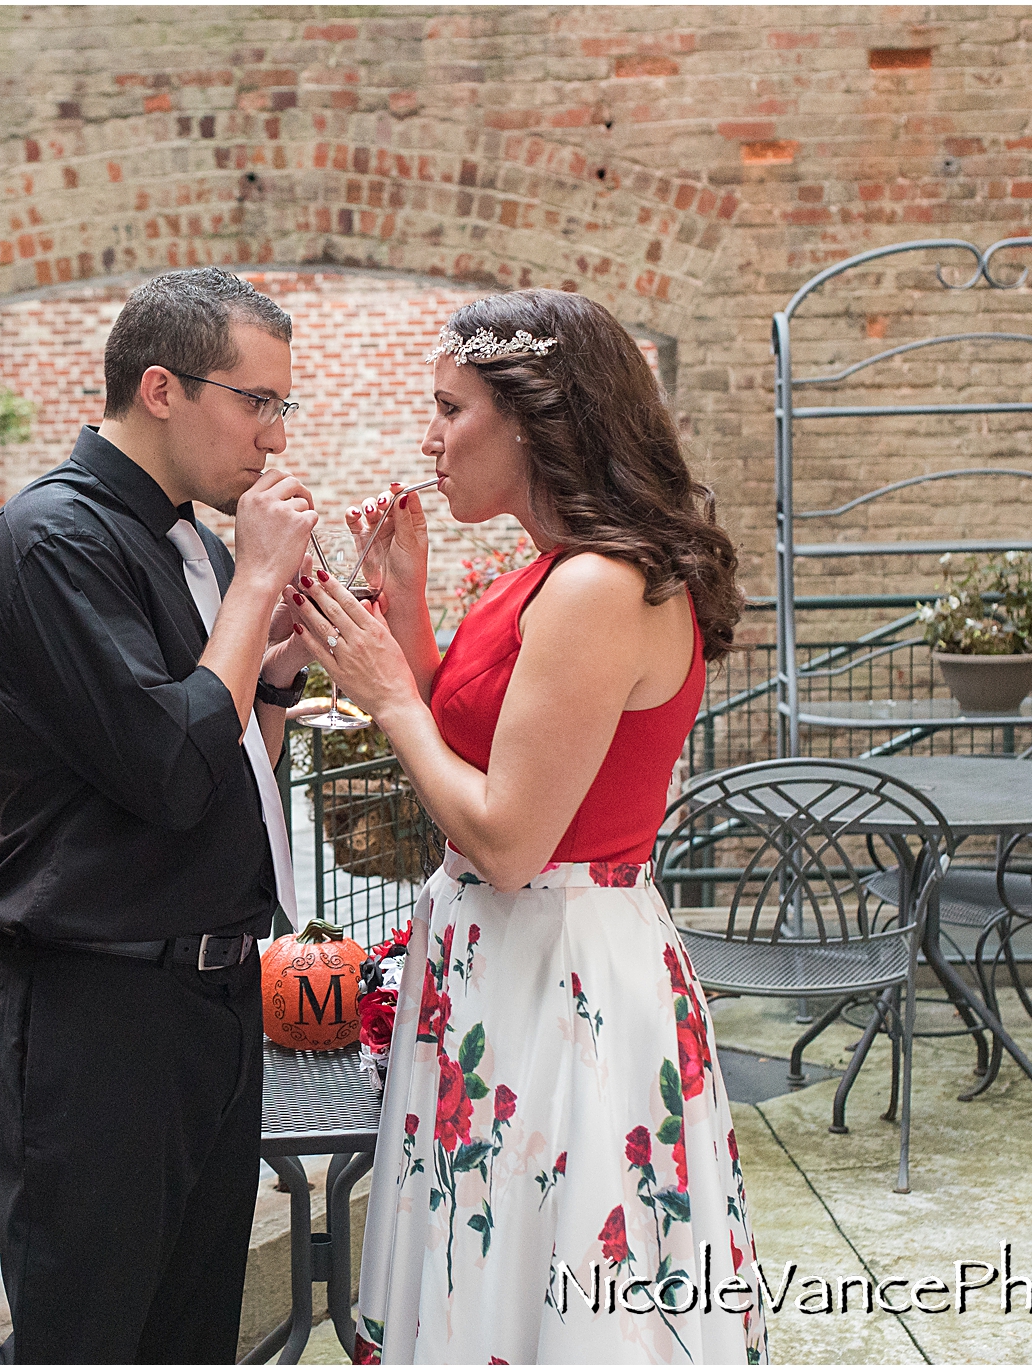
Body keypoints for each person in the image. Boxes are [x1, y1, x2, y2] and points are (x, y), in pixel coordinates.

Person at [294, 289, 768, 1363]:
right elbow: (473, 756)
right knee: (491, 1260)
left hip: (558, 975)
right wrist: (405, 613)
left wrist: (389, 699)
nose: (426, 436)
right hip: (498, 967)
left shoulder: (597, 587)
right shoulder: (541, 576)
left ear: (533, 418)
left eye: (448, 408)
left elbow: (508, 842)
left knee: (557, 1262)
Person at [0, 268, 320, 1363]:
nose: (271, 437)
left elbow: (222, 783)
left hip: (211, 999)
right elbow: (164, 763)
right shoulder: (50, 541)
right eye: (255, 401)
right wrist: (256, 587)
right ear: (159, 387)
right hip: (95, 1009)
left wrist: (271, 679)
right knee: (91, 1338)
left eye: (280, 407)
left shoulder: (195, 548)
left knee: (192, 1334)